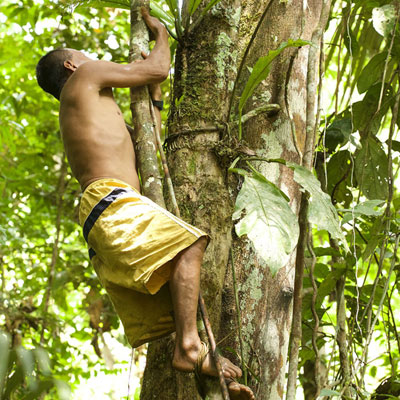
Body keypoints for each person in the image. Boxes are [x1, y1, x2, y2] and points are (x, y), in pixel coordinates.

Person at [36, 8, 254, 400]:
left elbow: (149, 142)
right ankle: (189, 349)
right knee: (190, 244)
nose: (94, 61)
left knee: (174, 287)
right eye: (86, 56)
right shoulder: (84, 77)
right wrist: (163, 34)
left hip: (109, 208)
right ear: (72, 65)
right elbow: (158, 68)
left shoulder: (94, 113)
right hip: (110, 201)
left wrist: (152, 98)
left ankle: (202, 360)